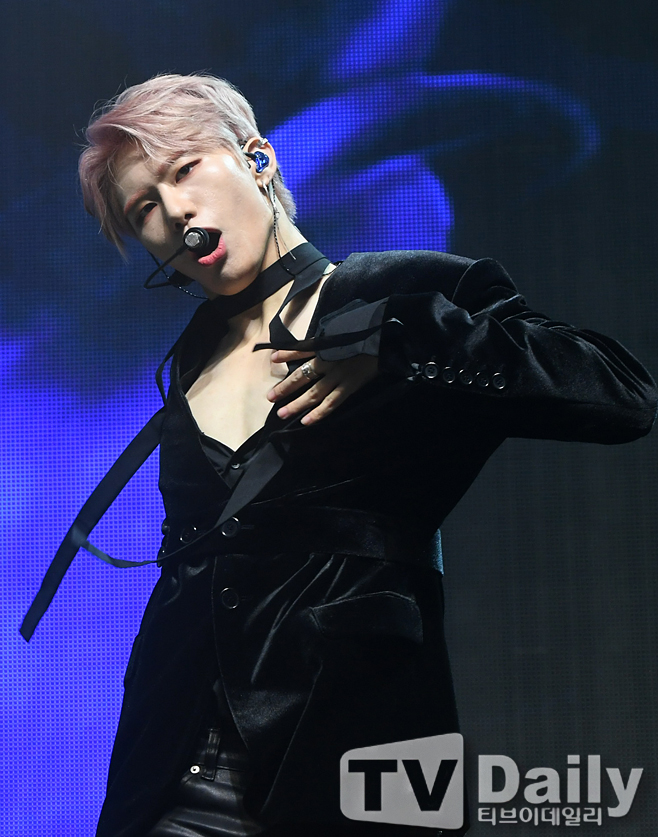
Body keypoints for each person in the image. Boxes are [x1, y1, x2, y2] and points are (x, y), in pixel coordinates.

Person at [22, 73, 657, 837]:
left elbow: (620, 394)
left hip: (351, 752)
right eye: (143, 208)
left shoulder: (407, 289)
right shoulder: (186, 365)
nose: (175, 211)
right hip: (175, 774)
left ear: (257, 159)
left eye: (185, 169)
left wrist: (395, 338)